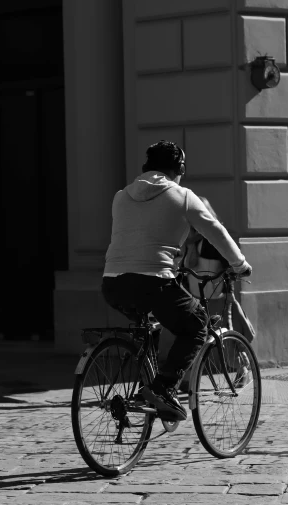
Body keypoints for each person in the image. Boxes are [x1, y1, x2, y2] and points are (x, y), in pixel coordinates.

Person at [101, 140, 252, 421]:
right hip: (153, 281)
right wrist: (240, 265)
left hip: (112, 284)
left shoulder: (121, 195)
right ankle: (163, 388)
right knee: (197, 326)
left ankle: (147, 385)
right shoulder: (182, 195)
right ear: (178, 168)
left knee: (151, 324)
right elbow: (214, 231)